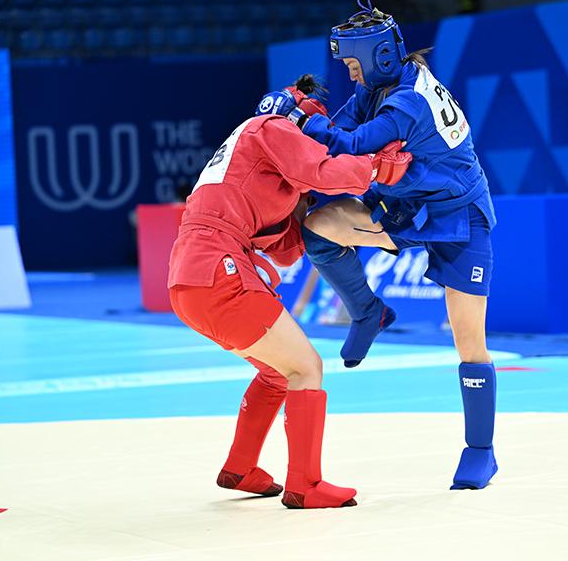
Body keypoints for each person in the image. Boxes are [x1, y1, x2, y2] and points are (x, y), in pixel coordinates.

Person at [255, 0, 499, 490]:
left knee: (469, 341)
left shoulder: (408, 101)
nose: (349, 73)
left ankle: (481, 450)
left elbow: (352, 144)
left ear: (379, 56)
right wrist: (300, 121)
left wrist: (294, 118)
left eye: (352, 63)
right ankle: (368, 312)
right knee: (318, 227)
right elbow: (338, 129)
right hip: (407, 206)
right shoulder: (378, 86)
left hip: (460, 217)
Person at [168, 76, 412, 509]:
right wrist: (374, 168)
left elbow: (283, 251)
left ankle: (241, 467)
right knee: (307, 368)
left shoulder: (250, 147)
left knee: (277, 372)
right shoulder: (273, 127)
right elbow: (319, 169)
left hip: (192, 277)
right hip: (220, 270)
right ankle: (305, 484)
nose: (323, 138)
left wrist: (319, 218)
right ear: (304, 112)